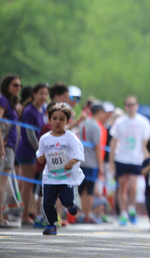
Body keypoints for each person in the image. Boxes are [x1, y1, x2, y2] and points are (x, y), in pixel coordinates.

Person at [36, 103, 85, 235]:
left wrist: (71, 162)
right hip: (50, 177)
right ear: (49, 119)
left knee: (66, 200)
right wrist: (40, 158)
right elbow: (40, 153)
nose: (58, 122)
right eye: (55, 118)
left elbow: (78, 154)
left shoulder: (70, 138)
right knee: (47, 203)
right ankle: (51, 225)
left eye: (62, 119)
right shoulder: (44, 139)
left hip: (66, 177)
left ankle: (71, 206)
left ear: (68, 121)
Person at [109, 95, 150, 225]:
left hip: (136, 159)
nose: (130, 106)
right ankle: (123, 213)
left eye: (133, 104)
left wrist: (147, 160)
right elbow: (114, 142)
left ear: (137, 106)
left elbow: (145, 143)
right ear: (125, 106)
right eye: (128, 104)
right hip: (121, 158)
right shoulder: (120, 122)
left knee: (133, 187)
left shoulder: (143, 122)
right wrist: (111, 161)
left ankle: (132, 209)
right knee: (122, 187)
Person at [15, 83, 49, 225]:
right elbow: (30, 134)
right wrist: (40, 150)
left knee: (30, 185)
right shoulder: (29, 111)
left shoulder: (42, 110)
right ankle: (23, 216)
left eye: (46, 94)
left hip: (37, 151)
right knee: (26, 185)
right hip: (28, 151)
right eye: (41, 93)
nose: (43, 97)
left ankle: (29, 213)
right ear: (33, 94)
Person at [0, 74, 21, 224]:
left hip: (11, 145)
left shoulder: (10, 103)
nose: (18, 88)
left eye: (20, 85)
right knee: (2, 182)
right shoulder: (2, 100)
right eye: (15, 85)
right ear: (7, 86)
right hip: (4, 145)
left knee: (5, 182)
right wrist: (1, 145)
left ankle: (3, 212)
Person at [77, 104, 108, 223]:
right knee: (89, 190)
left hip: (81, 160)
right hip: (91, 162)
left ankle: (80, 213)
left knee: (81, 189)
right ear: (99, 112)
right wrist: (100, 165)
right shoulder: (96, 126)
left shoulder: (83, 123)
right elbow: (97, 146)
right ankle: (86, 214)